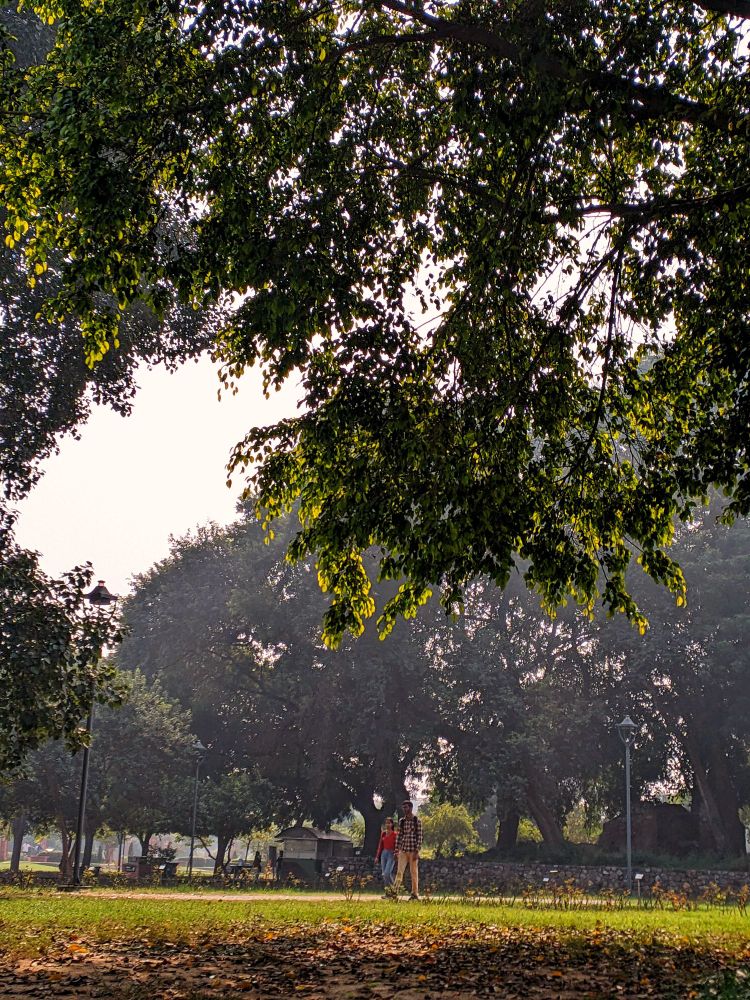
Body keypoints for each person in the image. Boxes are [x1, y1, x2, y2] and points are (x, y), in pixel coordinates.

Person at [392, 799, 422, 900]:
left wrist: (417, 851)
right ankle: (394, 892)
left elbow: (420, 836)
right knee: (399, 871)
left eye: (406, 807)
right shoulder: (402, 821)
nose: (404, 809)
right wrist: (396, 851)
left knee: (413, 872)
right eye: (403, 807)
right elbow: (399, 836)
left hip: (413, 850)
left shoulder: (416, 820)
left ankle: (414, 894)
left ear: (410, 808)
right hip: (403, 850)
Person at [375, 817, 397, 892]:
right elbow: (380, 845)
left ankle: (394, 890)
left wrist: (396, 854)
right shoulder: (383, 833)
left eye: (389, 823)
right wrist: (377, 857)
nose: (387, 824)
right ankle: (387, 892)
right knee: (384, 874)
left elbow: (397, 846)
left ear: (392, 824)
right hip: (384, 853)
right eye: (386, 823)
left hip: (391, 853)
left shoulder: (395, 834)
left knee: (387, 873)